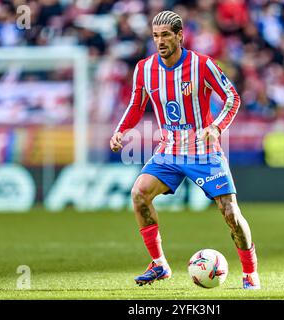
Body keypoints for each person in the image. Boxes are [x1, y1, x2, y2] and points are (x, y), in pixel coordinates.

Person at [109, 11, 260, 290]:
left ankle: (250, 273)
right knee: (139, 194)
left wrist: (216, 127)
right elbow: (135, 104)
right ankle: (159, 264)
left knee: (230, 213)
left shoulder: (202, 65)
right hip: (169, 149)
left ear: (180, 35)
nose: (160, 41)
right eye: (155, 35)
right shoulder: (144, 68)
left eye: (166, 34)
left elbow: (232, 98)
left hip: (203, 149)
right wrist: (121, 131)